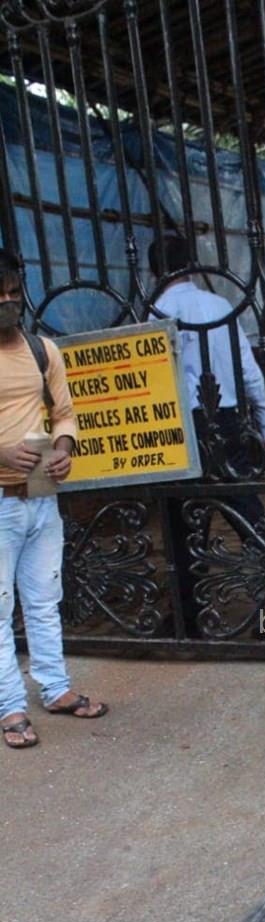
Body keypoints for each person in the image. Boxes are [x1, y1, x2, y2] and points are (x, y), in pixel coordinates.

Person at [0, 248, 108, 749]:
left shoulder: (42, 351)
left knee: (44, 600)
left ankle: (56, 688)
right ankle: (10, 707)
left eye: (12, 294)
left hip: (41, 497)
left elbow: (64, 414)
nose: (7, 304)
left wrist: (64, 449)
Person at [147, 235, 265, 531]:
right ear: (191, 264)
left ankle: (192, 564)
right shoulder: (220, 305)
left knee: (186, 518)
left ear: (153, 272)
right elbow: (249, 370)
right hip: (226, 418)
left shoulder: (156, 314)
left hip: (181, 426)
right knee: (245, 508)